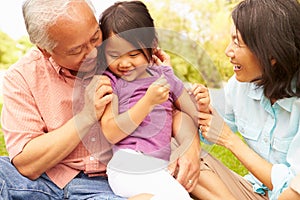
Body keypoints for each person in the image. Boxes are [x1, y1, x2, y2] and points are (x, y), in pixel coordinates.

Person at [0, 0, 202, 199]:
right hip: (46, 180)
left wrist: (191, 144)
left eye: (95, 37)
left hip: (105, 184)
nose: (94, 53)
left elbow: (171, 107)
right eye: (76, 50)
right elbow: (26, 163)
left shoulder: (120, 58)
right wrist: (86, 116)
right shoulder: (21, 77)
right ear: (46, 51)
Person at [98, 1, 209, 199]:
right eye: (114, 55)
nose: (124, 63)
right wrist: (147, 102)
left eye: (133, 54)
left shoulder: (164, 76)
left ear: (152, 46)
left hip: (158, 167)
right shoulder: (111, 82)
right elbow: (110, 132)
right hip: (127, 163)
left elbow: (193, 113)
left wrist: (201, 104)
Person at [191, 0, 300, 200]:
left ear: (271, 54)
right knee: (177, 153)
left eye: (237, 42)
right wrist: (202, 110)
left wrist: (230, 141)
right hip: (253, 191)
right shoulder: (241, 85)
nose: (228, 52)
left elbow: (293, 192)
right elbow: (207, 134)